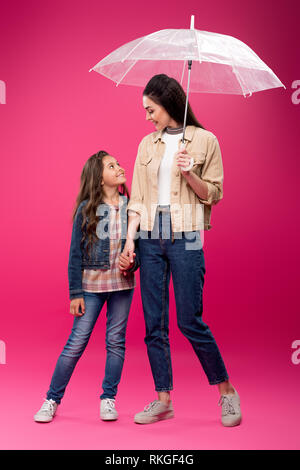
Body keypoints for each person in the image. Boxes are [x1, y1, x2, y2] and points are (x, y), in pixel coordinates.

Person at [121, 74, 242, 427]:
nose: (147, 116)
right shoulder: (147, 144)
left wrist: (190, 174)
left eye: (151, 109)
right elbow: (138, 199)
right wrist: (130, 240)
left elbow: (213, 195)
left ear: (168, 104)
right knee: (153, 324)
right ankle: (163, 400)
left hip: (187, 232)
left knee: (190, 320)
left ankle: (227, 393)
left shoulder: (206, 141)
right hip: (149, 235)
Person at [34, 151, 139, 423]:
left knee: (116, 343)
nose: (119, 167)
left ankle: (108, 399)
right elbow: (75, 255)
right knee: (75, 343)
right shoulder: (86, 209)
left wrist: (132, 263)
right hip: (90, 288)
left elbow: (136, 249)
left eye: (118, 163)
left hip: (122, 286)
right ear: (98, 177)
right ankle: (51, 399)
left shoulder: (132, 207)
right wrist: (75, 293)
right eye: (111, 166)